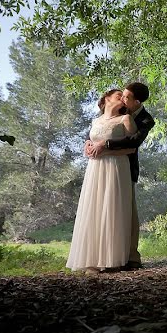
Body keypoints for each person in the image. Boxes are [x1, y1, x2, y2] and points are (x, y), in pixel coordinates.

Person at [86, 82, 155, 270]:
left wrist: (105, 145)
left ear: (136, 101)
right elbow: (99, 129)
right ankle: (100, 254)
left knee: (127, 212)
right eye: (122, 95)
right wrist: (88, 142)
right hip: (100, 166)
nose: (123, 99)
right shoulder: (109, 114)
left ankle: (131, 257)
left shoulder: (146, 120)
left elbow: (133, 141)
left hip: (124, 167)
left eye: (126, 97)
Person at [66, 89, 137, 273]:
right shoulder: (95, 121)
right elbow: (90, 142)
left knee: (113, 210)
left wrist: (105, 151)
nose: (122, 98)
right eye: (118, 95)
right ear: (106, 98)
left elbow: (131, 149)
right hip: (95, 169)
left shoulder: (126, 120)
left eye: (123, 96)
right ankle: (91, 260)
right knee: (94, 208)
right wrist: (88, 146)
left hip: (116, 168)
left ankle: (112, 259)